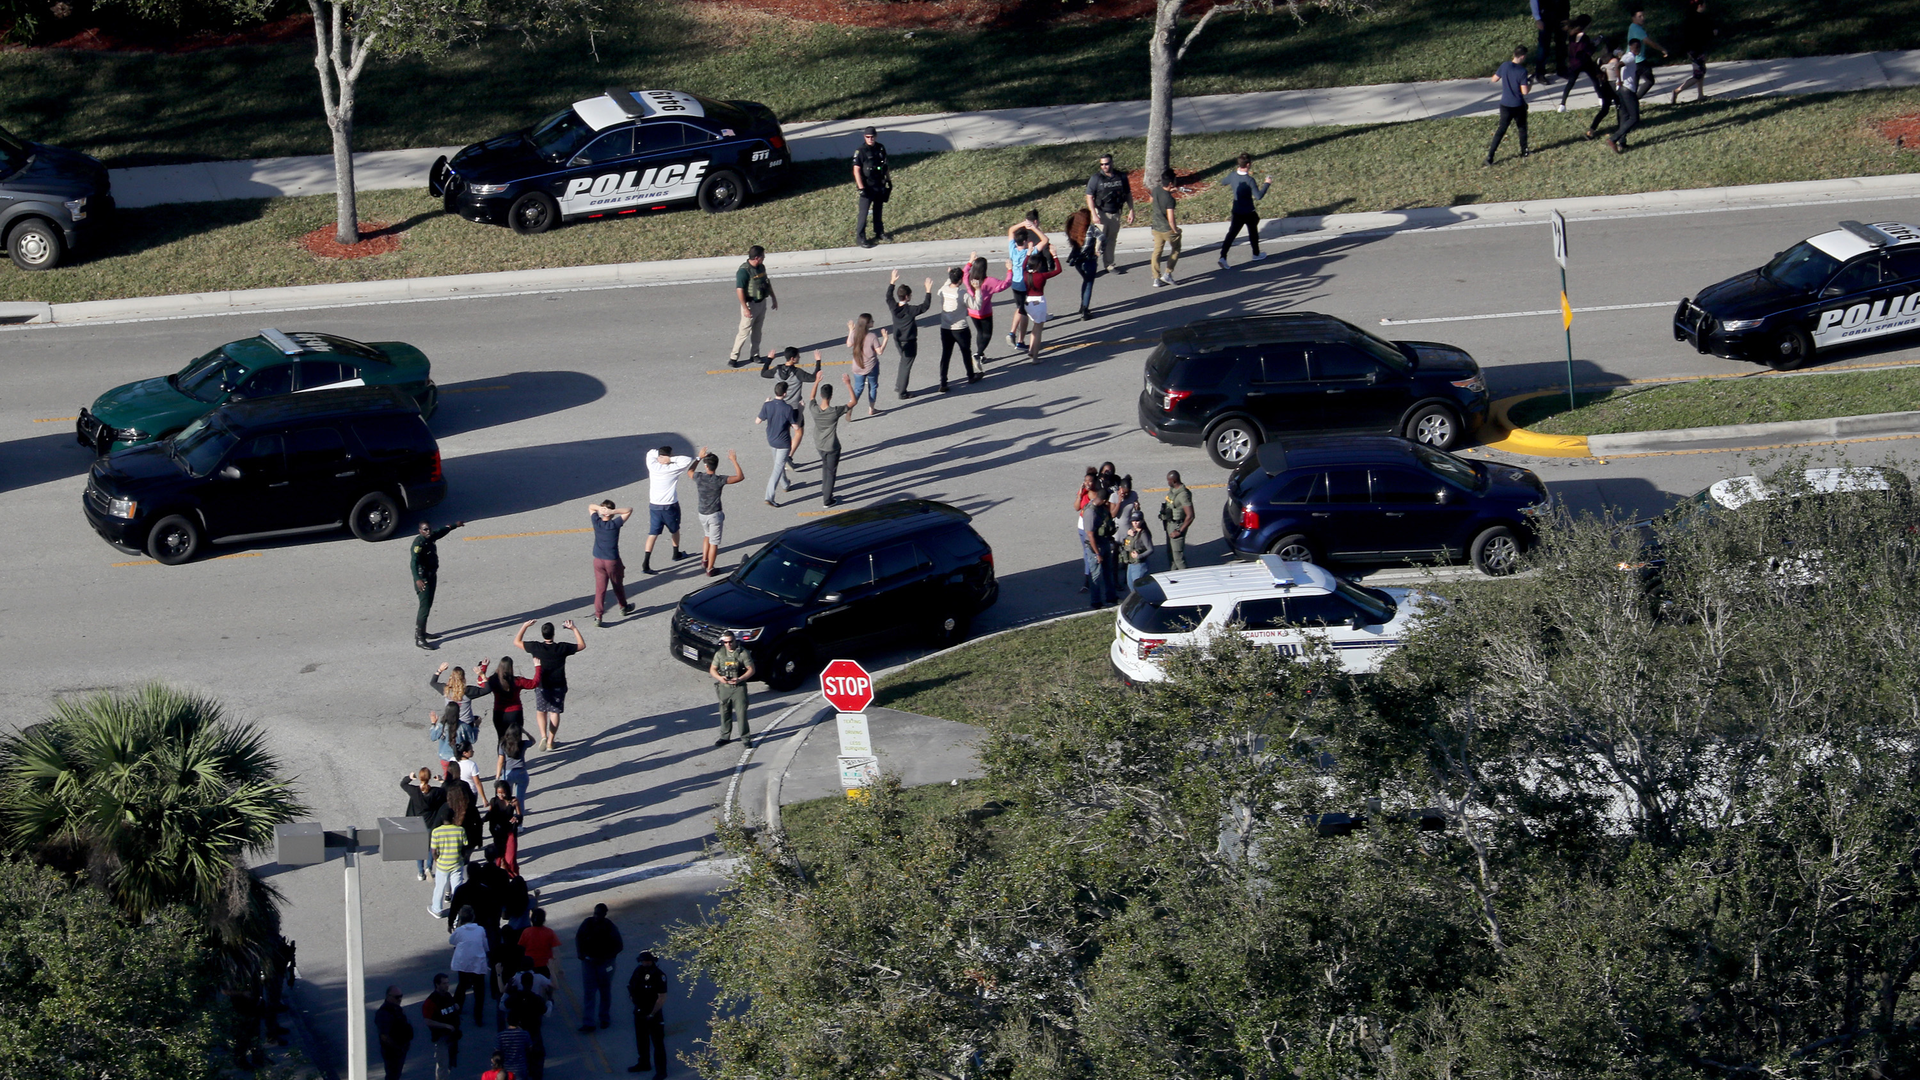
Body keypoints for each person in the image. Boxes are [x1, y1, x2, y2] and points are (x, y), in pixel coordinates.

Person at [517, 620, 583, 751]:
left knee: (541, 711)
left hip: (542, 684)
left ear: (542, 634)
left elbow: (517, 642)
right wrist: (573, 628)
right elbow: (581, 645)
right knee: (554, 712)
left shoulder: (536, 647)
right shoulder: (561, 648)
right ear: (554, 634)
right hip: (558, 685)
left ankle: (543, 736)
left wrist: (524, 626)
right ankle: (551, 742)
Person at [689, 448, 744, 577]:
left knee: (707, 535)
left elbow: (690, 471)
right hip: (715, 514)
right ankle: (710, 568)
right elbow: (740, 477)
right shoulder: (719, 480)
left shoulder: (699, 477)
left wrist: (698, 458)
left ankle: (704, 560)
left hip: (702, 513)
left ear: (706, 465)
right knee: (714, 542)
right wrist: (734, 461)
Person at [410, 520, 464, 650]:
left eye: (429, 529)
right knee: (424, 608)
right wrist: (418, 579)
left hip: (431, 575)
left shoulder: (431, 536)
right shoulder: (419, 544)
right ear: (420, 531)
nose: (428, 532)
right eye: (425, 530)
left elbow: (440, 531)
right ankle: (419, 638)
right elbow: (413, 563)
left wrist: (454, 526)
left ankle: (423, 632)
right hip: (423, 580)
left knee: (428, 605)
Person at [1559, 16, 1616, 136]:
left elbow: (1577, 48)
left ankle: (1562, 104)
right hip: (1585, 62)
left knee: (1571, 83)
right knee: (1595, 80)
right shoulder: (1585, 37)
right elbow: (1589, 51)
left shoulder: (1572, 35)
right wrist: (1597, 42)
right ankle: (1601, 98)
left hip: (1574, 63)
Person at [643, 445, 695, 574]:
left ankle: (646, 562)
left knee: (653, 533)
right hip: (670, 505)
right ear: (670, 456)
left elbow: (650, 452)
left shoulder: (652, 465)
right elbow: (687, 459)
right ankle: (676, 552)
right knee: (675, 529)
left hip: (654, 505)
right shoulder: (673, 468)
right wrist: (670, 460)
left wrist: (660, 457)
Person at [885, 269, 935, 399]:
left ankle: (899, 385)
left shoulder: (893, 307)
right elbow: (925, 306)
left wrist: (892, 282)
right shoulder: (911, 310)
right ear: (907, 296)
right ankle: (902, 392)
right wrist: (928, 290)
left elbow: (888, 296)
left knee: (903, 362)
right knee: (907, 365)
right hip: (909, 341)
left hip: (897, 339)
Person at [583, 502, 635, 628]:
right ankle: (623, 607)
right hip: (612, 560)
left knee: (600, 590)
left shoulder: (597, 522)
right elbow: (629, 509)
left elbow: (590, 506)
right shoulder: (614, 524)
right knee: (617, 585)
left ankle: (598, 616)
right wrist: (613, 511)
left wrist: (600, 509)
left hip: (598, 560)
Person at [576, 903, 626, 1033]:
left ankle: (604, 1018)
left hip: (605, 964)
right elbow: (579, 938)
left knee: (605, 990)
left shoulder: (610, 927)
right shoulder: (587, 923)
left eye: (599, 914)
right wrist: (580, 954)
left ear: (604, 914)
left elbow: (619, 946)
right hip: (589, 962)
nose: (596, 916)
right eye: (595, 913)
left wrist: (607, 957)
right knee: (589, 992)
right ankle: (589, 1022)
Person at [1217, 153, 1273, 267]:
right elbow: (1258, 196)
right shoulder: (1249, 180)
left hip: (1237, 211)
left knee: (1231, 234)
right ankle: (1256, 254)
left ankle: (1223, 257)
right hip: (1248, 211)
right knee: (1253, 232)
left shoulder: (1233, 175)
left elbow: (1223, 182)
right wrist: (1267, 184)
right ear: (1248, 165)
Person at [809, 375, 856, 507]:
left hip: (819, 443)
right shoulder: (834, 411)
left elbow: (811, 398)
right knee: (831, 472)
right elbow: (853, 401)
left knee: (825, 467)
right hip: (832, 446)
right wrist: (848, 384)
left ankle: (825, 490)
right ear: (831, 396)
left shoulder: (814, 409)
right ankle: (827, 499)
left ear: (821, 395)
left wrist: (816, 381)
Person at [1082, 153, 1133, 273]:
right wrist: (1094, 214)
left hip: (1116, 213)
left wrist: (1131, 211)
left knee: (1111, 240)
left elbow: (1128, 194)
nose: (1104, 166)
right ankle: (1090, 267)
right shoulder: (1096, 178)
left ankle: (1109, 265)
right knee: (1098, 241)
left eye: (1106, 164)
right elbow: (1089, 196)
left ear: (1112, 163)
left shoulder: (1121, 177)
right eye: (1102, 164)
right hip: (1101, 214)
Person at [427, 665, 478, 779]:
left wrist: (433, 723)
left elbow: (433, 737)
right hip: (458, 758)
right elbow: (473, 739)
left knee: (448, 779)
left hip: (444, 756)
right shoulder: (463, 727)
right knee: (460, 777)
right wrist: (476, 727)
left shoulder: (442, 725)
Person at [729, 245, 777, 368]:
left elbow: (767, 283)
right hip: (750, 305)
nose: (764, 258)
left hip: (761, 303)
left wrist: (773, 297)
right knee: (743, 332)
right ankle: (733, 357)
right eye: (762, 256)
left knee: (757, 331)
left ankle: (755, 354)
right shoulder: (744, 271)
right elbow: (739, 290)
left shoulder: (761, 267)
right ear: (756, 257)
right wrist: (745, 308)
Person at [480, 655, 540, 751]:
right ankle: (517, 760)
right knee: (516, 739)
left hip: (499, 713)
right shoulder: (517, 681)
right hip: (515, 713)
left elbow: (481, 683)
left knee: (501, 738)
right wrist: (537, 666)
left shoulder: (493, 680)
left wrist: (483, 667)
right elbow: (534, 683)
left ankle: (502, 761)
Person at [1487, 45, 1534, 165]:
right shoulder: (1522, 71)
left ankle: (1490, 156)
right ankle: (1524, 151)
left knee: (1501, 130)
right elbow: (1524, 92)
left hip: (1505, 105)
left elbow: (1494, 79)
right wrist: (1530, 83)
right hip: (1518, 105)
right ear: (1522, 56)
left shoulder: (1504, 65)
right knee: (1522, 128)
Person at [755, 380, 800, 507]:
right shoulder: (788, 408)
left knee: (779, 464)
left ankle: (785, 484)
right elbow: (796, 427)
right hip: (783, 442)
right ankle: (769, 497)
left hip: (771, 439)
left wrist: (764, 405)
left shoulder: (767, 405)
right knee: (777, 468)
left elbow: (757, 421)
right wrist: (800, 410)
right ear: (785, 394)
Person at [964, 253, 1011, 371]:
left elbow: (964, 272)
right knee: (987, 334)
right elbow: (1005, 284)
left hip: (972, 310)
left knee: (980, 332)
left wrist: (970, 261)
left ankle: (981, 354)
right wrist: (1009, 270)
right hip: (985, 311)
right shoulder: (989, 281)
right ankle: (978, 354)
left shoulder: (968, 278)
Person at [932, 267, 977, 390]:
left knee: (946, 354)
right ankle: (970, 375)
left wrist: (949, 276)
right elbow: (976, 306)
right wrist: (977, 290)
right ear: (961, 280)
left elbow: (944, 287)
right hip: (960, 328)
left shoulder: (943, 290)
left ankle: (943, 382)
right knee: (966, 352)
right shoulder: (963, 294)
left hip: (945, 327)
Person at [1005, 214, 1046, 349]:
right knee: (1023, 312)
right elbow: (1045, 240)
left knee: (1019, 307)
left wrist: (1023, 223)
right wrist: (1033, 227)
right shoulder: (1030, 253)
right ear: (1025, 241)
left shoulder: (1012, 250)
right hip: (1025, 284)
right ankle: (1020, 340)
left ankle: (1012, 333)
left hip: (1015, 283)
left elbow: (1011, 229)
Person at [710, 630, 756, 746]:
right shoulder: (720, 654)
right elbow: (713, 669)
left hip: (738, 687)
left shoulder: (742, 653)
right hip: (724, 687)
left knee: (741, 714)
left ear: (735, 640)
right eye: (725, 642)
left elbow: (751, 669)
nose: (728, 645)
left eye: (730, 642)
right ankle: (725, 736)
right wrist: (720, 678)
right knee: (724, 713)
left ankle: (745, 738)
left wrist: (740, 679)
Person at [1020, 241, 1064, 363]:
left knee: (1034, 326)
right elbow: (1058, 270)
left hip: (1028, 302)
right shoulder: (1041, 276)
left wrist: (1028, 253)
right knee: (1038, 329)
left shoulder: (1025, 275)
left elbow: (1023, 266)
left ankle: (1031, 349)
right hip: (1039, 303)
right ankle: (1035, 357)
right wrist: (1054, 255)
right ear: (1038, 265)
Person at [628, 952, 669, 1078]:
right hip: (639, 1011)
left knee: (658, 1044)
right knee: (641, 1040)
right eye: (643, 961)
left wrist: (651, 1014)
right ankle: (644, 1063)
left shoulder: (659, 975)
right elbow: (631, 987)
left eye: (648, 961)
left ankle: (661, 1072)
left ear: (653, 961)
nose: (645, 963)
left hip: (654, 1013)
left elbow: (661, 997)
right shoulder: (638, 971)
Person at [403, 767, 448, 881]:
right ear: (429, 778)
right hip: (431, 824)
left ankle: (420, 872)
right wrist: (441, 781)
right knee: (430, 847)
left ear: (420, 777)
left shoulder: (414, 791)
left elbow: (403, 784)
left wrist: (409, 778)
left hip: (417, 824)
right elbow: (446, 790)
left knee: (419, 848)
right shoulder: (435, 792)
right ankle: (429, 867)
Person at [450, 906, 492, 1024]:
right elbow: (485, 945)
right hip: (477, 963)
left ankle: (457, 1007)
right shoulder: (480, 930)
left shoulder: (459, 931)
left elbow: (451, 941)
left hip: (463, 962)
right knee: (479, 989)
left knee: (462, 985)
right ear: (473, 917)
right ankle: (478, 1016)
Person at [852, 126, 892, 247]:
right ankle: (860, 238)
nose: (870, 139)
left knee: (878, 211)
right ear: (865, 137)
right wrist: (861, 188)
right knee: (863, 213)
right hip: (867, 187)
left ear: (876, 136)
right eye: (868, 137)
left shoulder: (880, 148)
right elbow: (856, 170)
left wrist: (888, 180)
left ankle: (879, 232)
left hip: (879, 184)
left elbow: (885, 165)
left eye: (872, 136)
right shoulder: (861, 151)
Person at [428, 805, 470, 919]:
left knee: (440, 887)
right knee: (457, 887)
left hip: (442, 864)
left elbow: (434, 851)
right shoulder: (460, 830)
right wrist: (462, 857)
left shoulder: (436, 832)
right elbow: (464, 847)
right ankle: (458, 911)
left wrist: (437, 860)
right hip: (457, 863)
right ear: (453, 818)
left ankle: (437, 909)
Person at [1669, 0, 1711, 104]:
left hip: (1692, 50)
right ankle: (1677, 91)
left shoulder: (1689, 17)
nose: (1705, 6)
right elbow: (1702, 34)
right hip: (1697, 50)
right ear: (1700, 6)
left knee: (1700, 72)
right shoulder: (1698, 18)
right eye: (1704, 4)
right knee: (1699, 74)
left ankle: (1700, 95)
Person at [846, 314, 888, 419]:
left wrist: (851, 330)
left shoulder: (855, 334)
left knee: (858, 388)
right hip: (871, 366)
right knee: (873, 386)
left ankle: (850, 407)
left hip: (857, 366)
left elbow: (848, 344)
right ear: (867, 324)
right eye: (871, 321)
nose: (873, 322)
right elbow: (880, 351)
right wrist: (885, 339)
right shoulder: (872, 336)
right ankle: (871, 409)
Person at [1608, 37, 1645, 153]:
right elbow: (1618, 66)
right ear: (1630, 47)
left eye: (1639, 47)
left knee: (1624, 115)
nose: (1637, 49)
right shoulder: (1629, 57)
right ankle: (1614, 138)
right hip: (1627, 90)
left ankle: (1622, 143)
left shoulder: (1627, 56)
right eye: (1635, 47)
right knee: (1634, 117)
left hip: (1621, 90)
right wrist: (1618, 79)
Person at [1064, 209, 1102, 321]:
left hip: (1077, 261)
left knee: (1085, 281)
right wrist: (1099, 250)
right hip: (1089, 259)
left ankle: (1082, 306)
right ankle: (1085, 310)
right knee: (1089, 283)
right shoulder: (1092, 229)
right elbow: (1103, 238)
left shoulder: (1073, 229)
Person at [423, 974, 462, 1080]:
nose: (447, 985)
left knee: (449, 1063)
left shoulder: (448, 996)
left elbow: (452, 1008)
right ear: (437, 984)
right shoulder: (431, 1001)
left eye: (448, 982)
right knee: (443, 1065)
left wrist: (456, 1007)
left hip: (452, 1036)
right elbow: (428, 1021)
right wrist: (445, 1026)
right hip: (441, 1037)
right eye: (444, 983)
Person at [1081, 494, 1117, 609]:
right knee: (1095, 575)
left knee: (1108, 572)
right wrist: (1097, 553)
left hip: (1104, 541)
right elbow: (1090, 535)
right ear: (1103, 499)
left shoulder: (1100, 508)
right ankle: (1096, 602)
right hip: (1095, 547)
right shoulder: (1090, 512)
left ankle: (1111, 597)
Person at [1624, 8, 1669, 97]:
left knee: (1633, 86)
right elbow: (1649, 42)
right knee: (1649, 81)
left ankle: (1630, 104)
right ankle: (1635, 100)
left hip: (1631, 59)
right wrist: (1662, 49)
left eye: (1643, 16)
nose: (1642, 18)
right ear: (1633, 18)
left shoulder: (1632, 27)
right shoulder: (1637, 29)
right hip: (1638, 60)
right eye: (1639, 16)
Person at [1149, 170, 1182, 287]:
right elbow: (1171, 219)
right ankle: (1167, 273)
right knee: (1176, 249)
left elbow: (1151, 200)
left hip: (1156, 228)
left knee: (1157, 252)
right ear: (1171, 183)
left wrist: (1169, 192)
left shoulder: (1156, 190)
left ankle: (1156, 278)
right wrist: (1175, 230)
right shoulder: (1170, 200)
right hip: (1167, 230)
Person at [485, 779, 523, 876]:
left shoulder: (514, 801)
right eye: (498, 793)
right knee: (499, 859)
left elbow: (520, 815)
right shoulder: (494, 801)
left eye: (503, 793)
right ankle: (502, 879)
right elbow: (489, 814)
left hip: (510, 832)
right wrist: (481, 820)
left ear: (507, 791)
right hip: (498, 833)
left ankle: (516, 879)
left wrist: (517, 818)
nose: (500, 795)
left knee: (510, 859)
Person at [376, 985, 414, 1080]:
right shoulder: (384, 1013)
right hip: (392, 1052)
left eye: (401, 996)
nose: (400, 999)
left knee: (396, 1075)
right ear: (388, 997)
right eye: (397, 997)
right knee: (392, 1076)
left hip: (400, 1050)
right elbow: (384, 1036)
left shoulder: (397, 1009)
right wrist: (398, 1048)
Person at [1160, 470, 1195, 570]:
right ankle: (1174, 575)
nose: (1168, 483)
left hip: (1177, 526)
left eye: (1169, 481)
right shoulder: (1173, 491)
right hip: (1170, 524)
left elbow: (1190, 516)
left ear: (1174, 481)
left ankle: (1186, 578)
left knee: (1178, 558)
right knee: (1171, 555)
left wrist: (1179, 531)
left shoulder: (1183, 495)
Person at [494, 727, 531, 813]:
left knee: (506, 799)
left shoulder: (503, 745)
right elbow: (533, 741)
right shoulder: (522, 744)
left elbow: (500, 761)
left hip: (507, 773)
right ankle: (520, 823)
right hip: (521, 772)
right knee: (520, 799)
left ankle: (507, 820)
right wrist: (526, 732)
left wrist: (497, 777)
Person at [1531, 0, 1569, 84]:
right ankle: (1540, 73)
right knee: (1544, 46)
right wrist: (1537, 18)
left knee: (1561, 44)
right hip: (1546, 16)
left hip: (1562, 14)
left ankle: (1561, 69)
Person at [517, 907, 560, 979]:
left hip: (530, 965)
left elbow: (520, 948)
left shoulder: (526, 932)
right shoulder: (549, 932)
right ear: (543, 920)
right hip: (545, 965)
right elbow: (556, 951)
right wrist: (557, 967)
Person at [1121, 512, 1154, 593]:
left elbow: (1150, 549)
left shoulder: (1143, 534)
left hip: (1139, 565)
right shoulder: (1132, 531)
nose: (1135, 523)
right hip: (1131, 563)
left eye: (1137, 521)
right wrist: (1128, 534)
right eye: (1133, 521)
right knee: (1130, 585)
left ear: (1142, 521)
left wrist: (1139, 556)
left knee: (1138, 587)